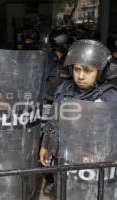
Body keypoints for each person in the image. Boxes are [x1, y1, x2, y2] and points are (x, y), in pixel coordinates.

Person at [39, 39, 117, 196]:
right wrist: (46, 144)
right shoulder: (65, 89)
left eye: (88, 71)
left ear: (100, 72)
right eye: (77, 69)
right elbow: (54, 120)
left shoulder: (111, 98)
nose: (81, 76)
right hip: (66, 156)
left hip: (95, 160)